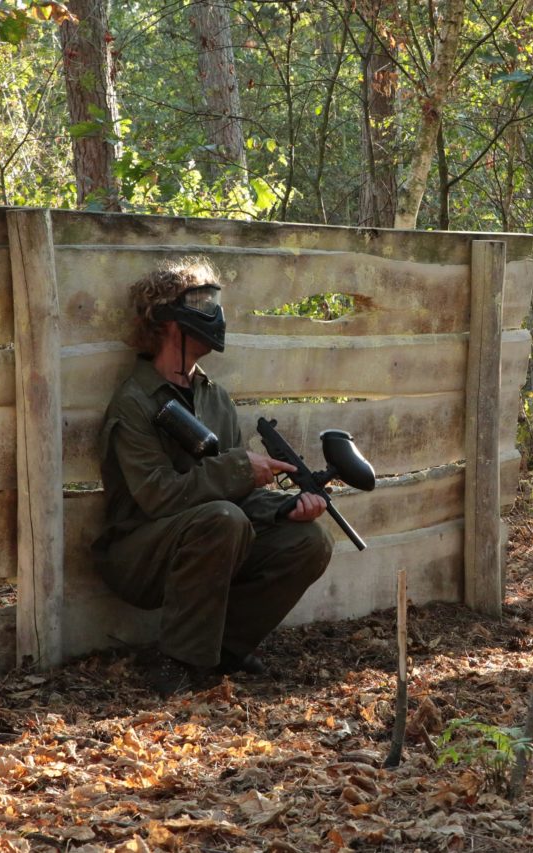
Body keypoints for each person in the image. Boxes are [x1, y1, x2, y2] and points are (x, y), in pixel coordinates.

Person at [93, 257, 334, 697]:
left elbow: (237, 499)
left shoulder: (215, 398)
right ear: (166, 320)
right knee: (222, 518)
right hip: (137, 553)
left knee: (309, 542)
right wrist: (242, 467)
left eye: (214, 303)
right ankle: (177, 661)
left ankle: (224, 650)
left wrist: (284, 509)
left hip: (214, 534)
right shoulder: (134, 401)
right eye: (201, 304)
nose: (215, 316)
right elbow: (159, 497)